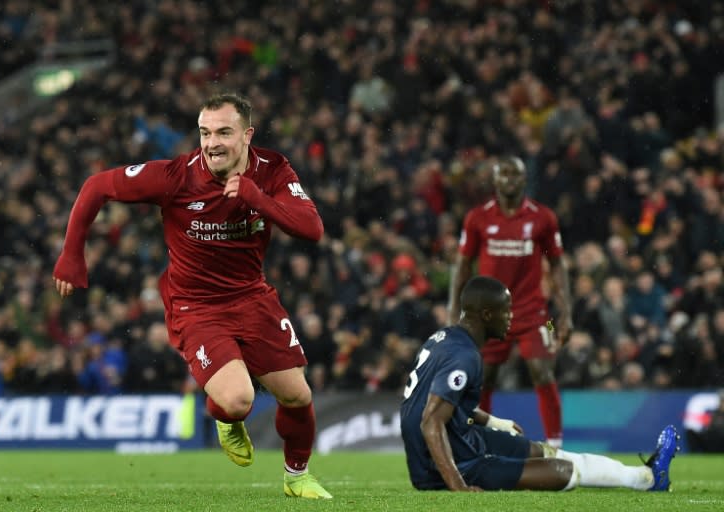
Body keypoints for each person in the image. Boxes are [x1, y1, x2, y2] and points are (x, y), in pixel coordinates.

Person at [53, 92, 332, 499]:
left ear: (247, 135)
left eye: (223, 132)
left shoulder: (272, 170)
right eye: (204, 133)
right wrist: (71, 254)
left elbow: (312, 228)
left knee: (297, 394)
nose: (212, 143)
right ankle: (222, 415)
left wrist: (257, 197)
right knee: (238, 400)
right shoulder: (176, 176)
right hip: (195, 305)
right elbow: (97, 187)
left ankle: (297, 477)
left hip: (252, 297)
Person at [401, 275, 680, 492]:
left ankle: (646, 476)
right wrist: (457, 485)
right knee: (564, 472)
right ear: (487, 314)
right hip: (453, 462)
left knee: (543, 451)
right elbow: (431, 420)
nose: (511, 317)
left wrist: (495, 422)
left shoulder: (444, 339)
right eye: (506, 311)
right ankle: (645, 479)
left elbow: (442, 404)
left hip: (458, 440)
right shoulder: (465, 355)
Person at [447, 156, 572, 447]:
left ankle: (555, 446)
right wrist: (454, 309)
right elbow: (463, 265)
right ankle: (480, 442)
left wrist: (564, 314)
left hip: (536, 312)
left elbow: (557, 265)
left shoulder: (543, 218)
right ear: (494, 180)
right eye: (504, 174)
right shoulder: (478, 218)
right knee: (484, 377)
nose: (509, 180)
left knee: (542, 370)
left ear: (525, 179)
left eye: (515, 174)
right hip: (488, 314)